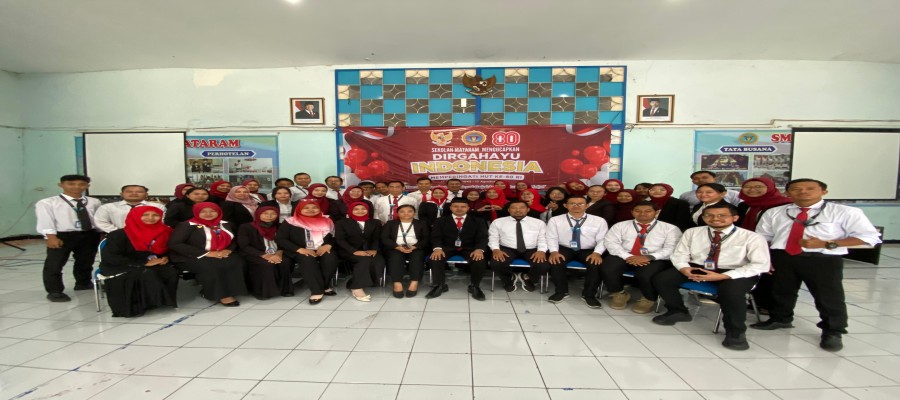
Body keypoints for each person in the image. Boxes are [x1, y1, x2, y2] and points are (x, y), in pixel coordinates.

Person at [751, 179, 882, 352]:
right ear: (787, 193)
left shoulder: (844, 212)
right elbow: (762, 237)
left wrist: (828, 243)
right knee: (780, 290)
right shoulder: (775, 212)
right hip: (782, 256)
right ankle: (780, 319)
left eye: (810, 188)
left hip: (823, 258)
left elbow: (869, 238)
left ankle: (833, 331)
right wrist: (764, 259)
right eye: (796, 189)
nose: (803, 192)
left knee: (828, 296)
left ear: (824, 192)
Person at [651, 203, 770, 351]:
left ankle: (735, 332)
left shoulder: (752, 237)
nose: (715, 218)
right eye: (709, 215)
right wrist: (684, 268)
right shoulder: (692, 232)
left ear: (735, 217)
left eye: (722, 215)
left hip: (736, 271)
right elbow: (679, 254)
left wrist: (723, 276)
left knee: (731, 292)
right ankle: (678, 311)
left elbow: (760, 264)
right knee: (663, 279)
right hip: (698, 266)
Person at [601, 201, 681, 313]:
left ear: (656, 212)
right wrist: (628, 256)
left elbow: (672, 248)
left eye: (648, 211)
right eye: (638, 211)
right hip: (625, 254)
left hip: (655, 258)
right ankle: (619, 293)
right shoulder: (620, 225)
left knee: (645, 274)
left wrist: (649, 257)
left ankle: (648, 298)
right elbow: (611, 243)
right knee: (608, 268)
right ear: (632, 212)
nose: (642, 214)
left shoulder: (670, 228)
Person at [99, 206, 179, 317]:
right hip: (121, 264)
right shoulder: (118, 235)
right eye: (145, 215)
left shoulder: (164, 232)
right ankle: (139, 305)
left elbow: (167, 249)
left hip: (150, 261)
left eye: (155, 215)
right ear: (135, 216)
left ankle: (160, 301)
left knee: (170, 271)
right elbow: (111, 257)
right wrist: (143, 263)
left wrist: (165, 257)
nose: (150, 218)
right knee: (145, 272)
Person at [35, 174, 102, 302]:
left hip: (89, 234)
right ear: (61, 185)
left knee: (85, 261)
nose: (77, 187)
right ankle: (54, 291)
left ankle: (83, 283)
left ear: (87, 186)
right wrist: (51, 237)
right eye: (71, 184)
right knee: (55, 263)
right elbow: (45, 220)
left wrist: (100, 233)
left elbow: (97, 219)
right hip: (62, 235)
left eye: (81, 184)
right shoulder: (48, 202)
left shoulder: (94, 202)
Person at [168, 202, 246, 307]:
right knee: (211, 266)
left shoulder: (225, 224)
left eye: (212, 211)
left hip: (221, 252)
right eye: (203, 211)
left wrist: (228, 250)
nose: (208, 214)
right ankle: (221, 294)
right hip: (192, 256)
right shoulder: (187, 225)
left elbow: (234, 240)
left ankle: (233, 290)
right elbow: (175, 244)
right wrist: (207, 253)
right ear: (196, 212)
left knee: (236, 261)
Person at [735, 177, 792, 313]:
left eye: (758, 187)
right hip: (746, 244)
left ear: (770, 188)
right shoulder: (744, 205)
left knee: (771, 276)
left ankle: (772, 308)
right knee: (752, 272)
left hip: (772, 246)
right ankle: (758, 303)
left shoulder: (783, 206)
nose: (752, 190)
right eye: (748, 187)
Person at [546, 196, 609, 308]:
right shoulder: (555, 220)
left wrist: (597, 253)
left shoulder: (599, 221)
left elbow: (603, 239)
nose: (576, 206)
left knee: (595, 265)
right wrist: (554, 252)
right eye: (572, 203)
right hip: (564, 248)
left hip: (588, 249)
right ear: (565, 205)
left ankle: (589, 295)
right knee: (556, 262)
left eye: (580, 203)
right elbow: (551, 237)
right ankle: (561, 291)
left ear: (587, 205)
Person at [277, 199, 339, 304]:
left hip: (322, 248)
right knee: (307, 259)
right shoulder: (290, 221)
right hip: (300, 249)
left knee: (330, 258)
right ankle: (317, 291)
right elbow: (281, 239)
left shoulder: (327, 220)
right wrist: (300, 249)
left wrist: (329, 245)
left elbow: (336, 236)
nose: (311, 210)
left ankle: (325, 286)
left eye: (314, 207)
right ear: (299, 209)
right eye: (306, 208)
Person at [427, 198, 489, 301]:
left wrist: (479, 249)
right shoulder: (440, 220)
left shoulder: (478, 220)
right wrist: (437, 248)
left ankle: (475, 286)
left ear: (468, 208)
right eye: (456, 206)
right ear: (451, 208)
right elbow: (435, 236)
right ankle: (439, 285)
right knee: (435, 258)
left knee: (479, 260)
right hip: (447, 247)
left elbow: (483, 237)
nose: (459, 209)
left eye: (463, 207)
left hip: (470, 248)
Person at [489, 201, 552, 292]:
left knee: (543, 266)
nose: (518, 210)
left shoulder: (539, 223)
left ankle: (527, 278)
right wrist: (495, 249)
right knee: (496, 263)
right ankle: (509, 279)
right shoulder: (498, 222)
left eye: (522, 207)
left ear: (528, 209)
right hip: (507, 248)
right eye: (514, 208)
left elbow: (543, 238)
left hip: (532, 249)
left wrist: (541, 251)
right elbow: (493, 237)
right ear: (508, 210)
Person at [237, 206, 295, 299]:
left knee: (285, 262)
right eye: (265, 213)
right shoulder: (246, 227)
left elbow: (284, 241)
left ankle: (285, 290)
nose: (269, 216)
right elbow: (244, 246)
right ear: (258, 214)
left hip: (277, 252)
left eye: (273, 214)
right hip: (255, 253)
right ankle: (264, 292)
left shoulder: (280, 226)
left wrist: (279, 253)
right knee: (266, 264)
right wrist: (265, 255)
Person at [333, 202, 384, 302]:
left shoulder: (375, 222)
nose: (360, 211)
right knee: (364, 260)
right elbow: (340, 240)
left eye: (363, 209)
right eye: (356, 209)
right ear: (350, 210)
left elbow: (376, 238)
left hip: (369, 249)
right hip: (348, 250)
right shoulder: (342, 222)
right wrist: (354, 251)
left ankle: (359, 282)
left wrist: (374, 249)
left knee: (379, 260)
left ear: (368, 210)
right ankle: (356, 287)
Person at [382, 204, 429, 298]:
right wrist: (397, 247)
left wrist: (415, 246)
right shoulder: (390, 223)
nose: (406, 213)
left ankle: (414, 282)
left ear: (414, 213)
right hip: (396, 247)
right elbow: (384, 238)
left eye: (409, 211)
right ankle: (397, 283)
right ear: (397, 213)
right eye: (402, 211)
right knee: (395, 257)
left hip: (415, 247)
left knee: (417, 257)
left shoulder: (422, 223)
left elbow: (426, 238)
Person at [94, 185, 166, 233]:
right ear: (121, 194)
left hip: (150, 235)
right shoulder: (107, 207)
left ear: (146, 194)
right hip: (118, 236)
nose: (134, 194)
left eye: (139, 192)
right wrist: (120, 232)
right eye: (129, 192)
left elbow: (163, 222)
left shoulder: (158, 207)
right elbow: (100, 222)